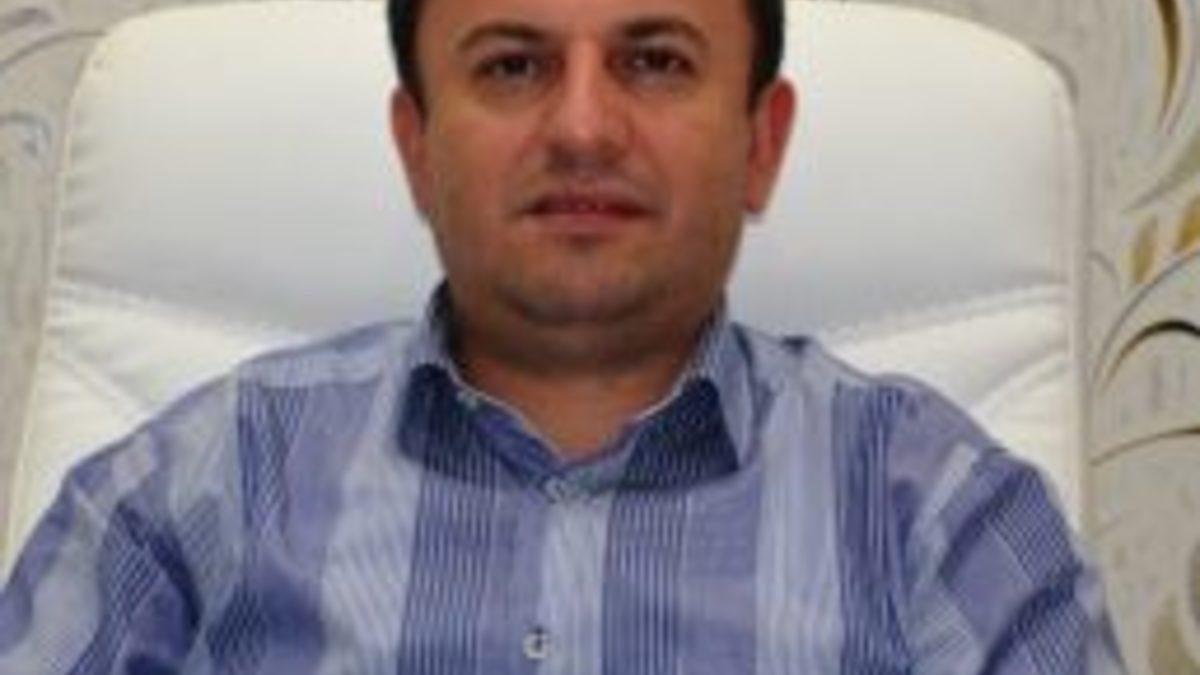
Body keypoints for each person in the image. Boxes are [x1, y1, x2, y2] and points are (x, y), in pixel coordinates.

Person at [0, 0, 1126, 671]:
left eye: (654, 60)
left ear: (761, 142)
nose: (584, 127)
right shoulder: (189, 492)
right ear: (416, 146)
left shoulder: (947, 521)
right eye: (513, 65)